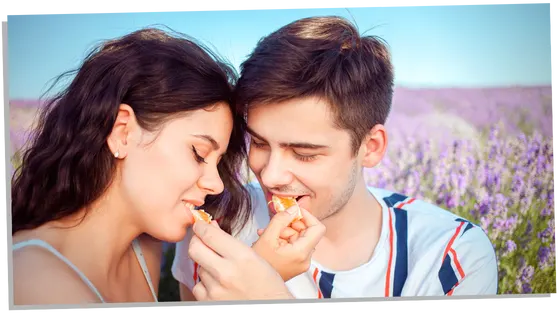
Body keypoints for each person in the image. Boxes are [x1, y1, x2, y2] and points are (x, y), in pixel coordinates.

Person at [173, 16, 499, 300]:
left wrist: (267, 293)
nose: (270, 175)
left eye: (304, 154)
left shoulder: (451, 258)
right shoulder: (217, 224)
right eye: (258, 143)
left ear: (370, 147)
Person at [11, 27, 322, 305]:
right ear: (122, 132)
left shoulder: (145, 250)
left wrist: (257, 273)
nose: (216, 184)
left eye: (218, 162)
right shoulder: (35, 284)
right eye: (199, 154)